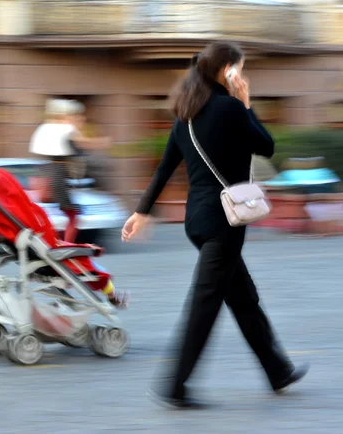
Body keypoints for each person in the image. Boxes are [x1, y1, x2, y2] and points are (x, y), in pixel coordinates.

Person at [121, 42, 309, 408]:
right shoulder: (229, 109)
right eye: (240, 67)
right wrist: (245, 101)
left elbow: (163, 169)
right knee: (204, 306)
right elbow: (267, 146)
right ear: (228, 71)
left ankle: (277, 370)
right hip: (225, 222)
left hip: (198, 219)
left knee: (243, 298)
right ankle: (175, 386)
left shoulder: (185, 117)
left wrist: (141, 211)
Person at [29, 98, 109, 244]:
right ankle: (65, 243)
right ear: (66, 116)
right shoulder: (66, 129)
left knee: (62, 213)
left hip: (46, 173)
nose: (80, 119)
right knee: (72, 214)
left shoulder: (47, 128)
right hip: (57, 176)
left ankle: (56, 241)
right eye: (76, 116)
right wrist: (102, 142)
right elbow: (83, 144)